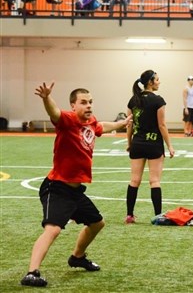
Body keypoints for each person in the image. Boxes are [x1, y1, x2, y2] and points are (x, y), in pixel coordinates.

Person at [21, 82, 132, 287]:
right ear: (73, 106)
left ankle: (77, 257)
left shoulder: (90, 123)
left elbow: (102, 127)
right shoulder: (68, 120)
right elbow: (54, 113)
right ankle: (31, 273)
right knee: (53, 229)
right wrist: (46, 98)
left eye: (90, 102)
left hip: (75, 191)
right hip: (57, 187)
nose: (88, 106)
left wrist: (121, 123)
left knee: (97, 223)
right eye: (83, 102)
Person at [125, 70, 175, 224]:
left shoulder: (133, 100)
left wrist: (129, 143)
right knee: (154, 181)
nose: (159, 82)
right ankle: (158, 216)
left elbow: (129, 125)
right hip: (154, 145)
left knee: (134, 180)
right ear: (151, 82)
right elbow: (162, 125)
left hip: (138, 144)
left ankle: (129, 215)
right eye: (157, 80)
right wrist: (170, 146)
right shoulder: (158, 100)